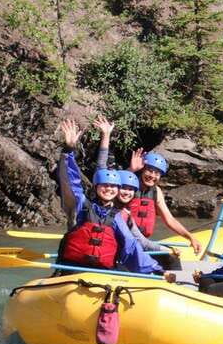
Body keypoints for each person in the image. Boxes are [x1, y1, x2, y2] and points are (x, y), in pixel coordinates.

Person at [55, 119, 171, 279]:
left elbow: (131, 246)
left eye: (113, 186)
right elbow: (70, 181)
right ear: (96, 186)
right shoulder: (80, 205)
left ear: (118, 190)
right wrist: (69, 150)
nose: (109, 189)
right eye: (105, 185)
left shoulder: (117, 217)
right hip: (72, 271)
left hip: (102, 274)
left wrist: (157, 270)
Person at [92, 115, 202, 254]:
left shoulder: (156, 192)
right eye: (149, 170)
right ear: (142, 169)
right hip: (121, 241)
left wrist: (190, 237)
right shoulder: (127, 188)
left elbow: (169, 219)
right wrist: (131, 169)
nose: (152, 176)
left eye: (157, 173)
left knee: (170, 258)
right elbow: (107, 178)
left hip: (142, 242)